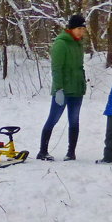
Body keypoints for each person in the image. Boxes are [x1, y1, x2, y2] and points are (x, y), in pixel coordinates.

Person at [37, 13, 88, 161]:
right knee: (53, 119)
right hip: (63, 90)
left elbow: (79, 67)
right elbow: (56, 68)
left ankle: (71, 152)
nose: (81, 31)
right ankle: (42, 151)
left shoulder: (79, 44)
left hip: (77, 90)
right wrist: (58, 89)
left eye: (83, 28)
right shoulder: (61, 43)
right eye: (79, 28)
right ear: (71, 28)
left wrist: (82, 84)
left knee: (74, 121)